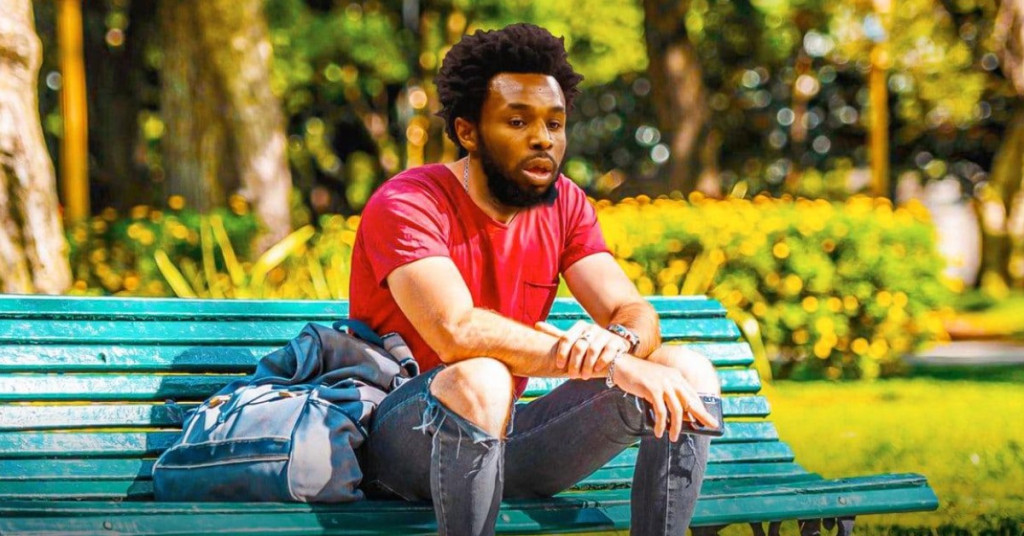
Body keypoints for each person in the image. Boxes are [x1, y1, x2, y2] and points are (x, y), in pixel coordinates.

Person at [349, 22, 721, 536]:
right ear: (468, 132)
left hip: (506, 437)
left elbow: (633, 312)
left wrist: (620, 340)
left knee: (686, 369)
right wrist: (614, 366)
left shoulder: (565, 204)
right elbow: (456, 332)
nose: (543, 138)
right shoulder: (409, 203)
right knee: (481, 377)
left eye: (555, 122)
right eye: (518, 120)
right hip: (402, 442)